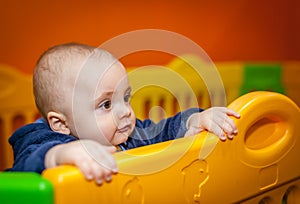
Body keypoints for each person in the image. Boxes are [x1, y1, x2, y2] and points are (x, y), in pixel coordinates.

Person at [8, 43, 240, 185]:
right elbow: (26, 165)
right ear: (60, 123)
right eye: (106, 104)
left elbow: (163, 132)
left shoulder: (131, 134)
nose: (125, 112)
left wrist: (194, 120)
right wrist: (62, 154)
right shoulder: (42, 138)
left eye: (126, 98)